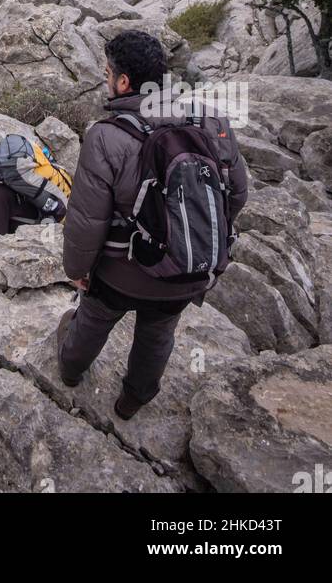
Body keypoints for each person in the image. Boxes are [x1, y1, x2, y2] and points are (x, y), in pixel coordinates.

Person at [58, 29, 249, 419]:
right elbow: (238, 194)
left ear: (124, 81)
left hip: (121, 274)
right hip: (187, 271)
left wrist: (77, 271)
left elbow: (86, 221)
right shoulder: (212, 121)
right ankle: (134, 400)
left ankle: (71, 371)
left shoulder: (106, 135)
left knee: (92, 319)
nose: (106, 78)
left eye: (108, 71)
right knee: (158, 334)